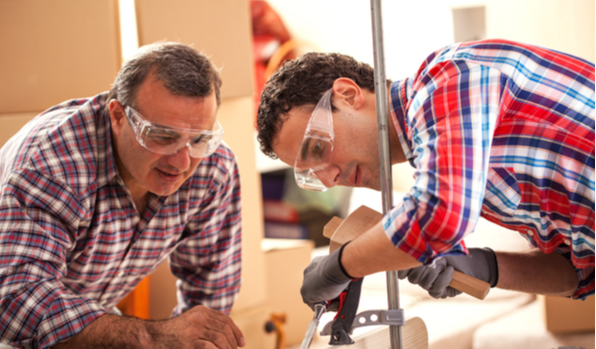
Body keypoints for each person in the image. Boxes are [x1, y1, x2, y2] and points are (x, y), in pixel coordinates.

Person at [255, 39, 594, 308]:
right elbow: (579, 273)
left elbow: (439, 215)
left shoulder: (446, 80)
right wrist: (486, 267)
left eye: (317, 148)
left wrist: (340, 265)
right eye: (311, 175)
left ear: (347, 95)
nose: (329, 180)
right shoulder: (448, 160)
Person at [0, 42, 246, 349]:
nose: (182, 162)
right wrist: (155, 337)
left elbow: (210, 285)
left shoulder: (213, 167)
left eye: (198, 139)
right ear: (117, 117)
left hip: (79, 302)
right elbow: (16, 304)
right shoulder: (56, 163)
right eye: (163, 137)